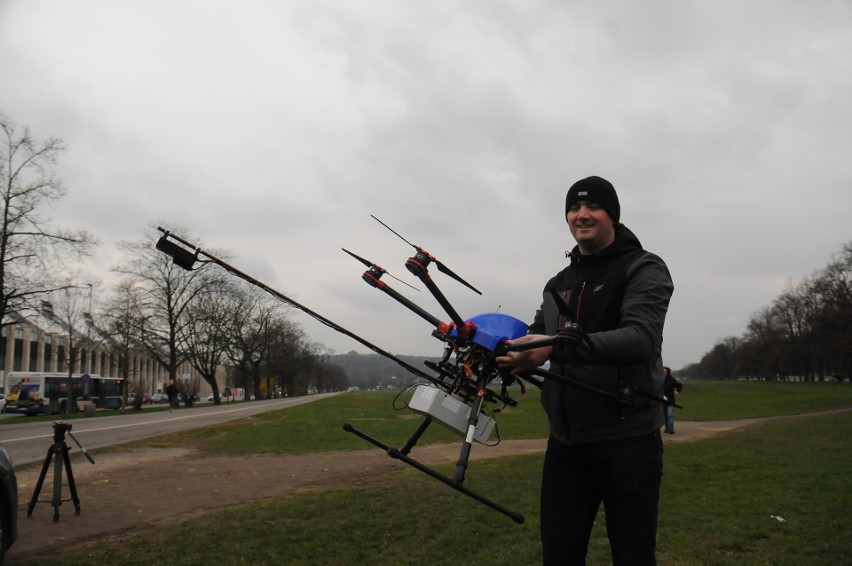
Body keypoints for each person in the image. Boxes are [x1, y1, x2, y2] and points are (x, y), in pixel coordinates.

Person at [497, 175, 674, 565]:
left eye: (592, 206)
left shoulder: (643, 268)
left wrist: (555, 347)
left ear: (611, 214)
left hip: (628, 440)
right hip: (566, 445)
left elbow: (640, 338)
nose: (582, 215)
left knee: (633, 555)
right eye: (574, 209)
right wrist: (500, 350)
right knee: (559, 556)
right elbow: (537, 336)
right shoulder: (557, 283)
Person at [662, 366, 683, 434]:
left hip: (670, 401)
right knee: (664, 416)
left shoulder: (671, 380)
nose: (663, 373)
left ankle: (671, 429)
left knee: (670, 414)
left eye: (665, 371)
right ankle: (667, 428)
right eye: (662, 371)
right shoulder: (659, 379)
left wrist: (678, 391)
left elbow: (679, 385)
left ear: (668, 372)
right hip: (662, 402)